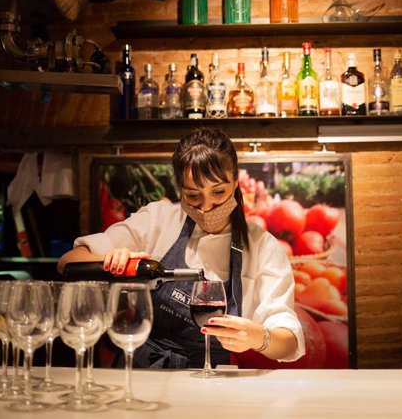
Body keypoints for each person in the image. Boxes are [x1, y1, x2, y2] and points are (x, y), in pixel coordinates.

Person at [57, 127, 304, 368]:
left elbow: (290, 343)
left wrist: (259, 337)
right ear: (180, 190)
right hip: (142, 370)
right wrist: (108, 261)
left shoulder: (263, 247)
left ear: (236, 181)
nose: (206, 206)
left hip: (213, 381)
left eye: (218, 192)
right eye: (193, 196)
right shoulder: (159, 219)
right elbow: (67, 261)